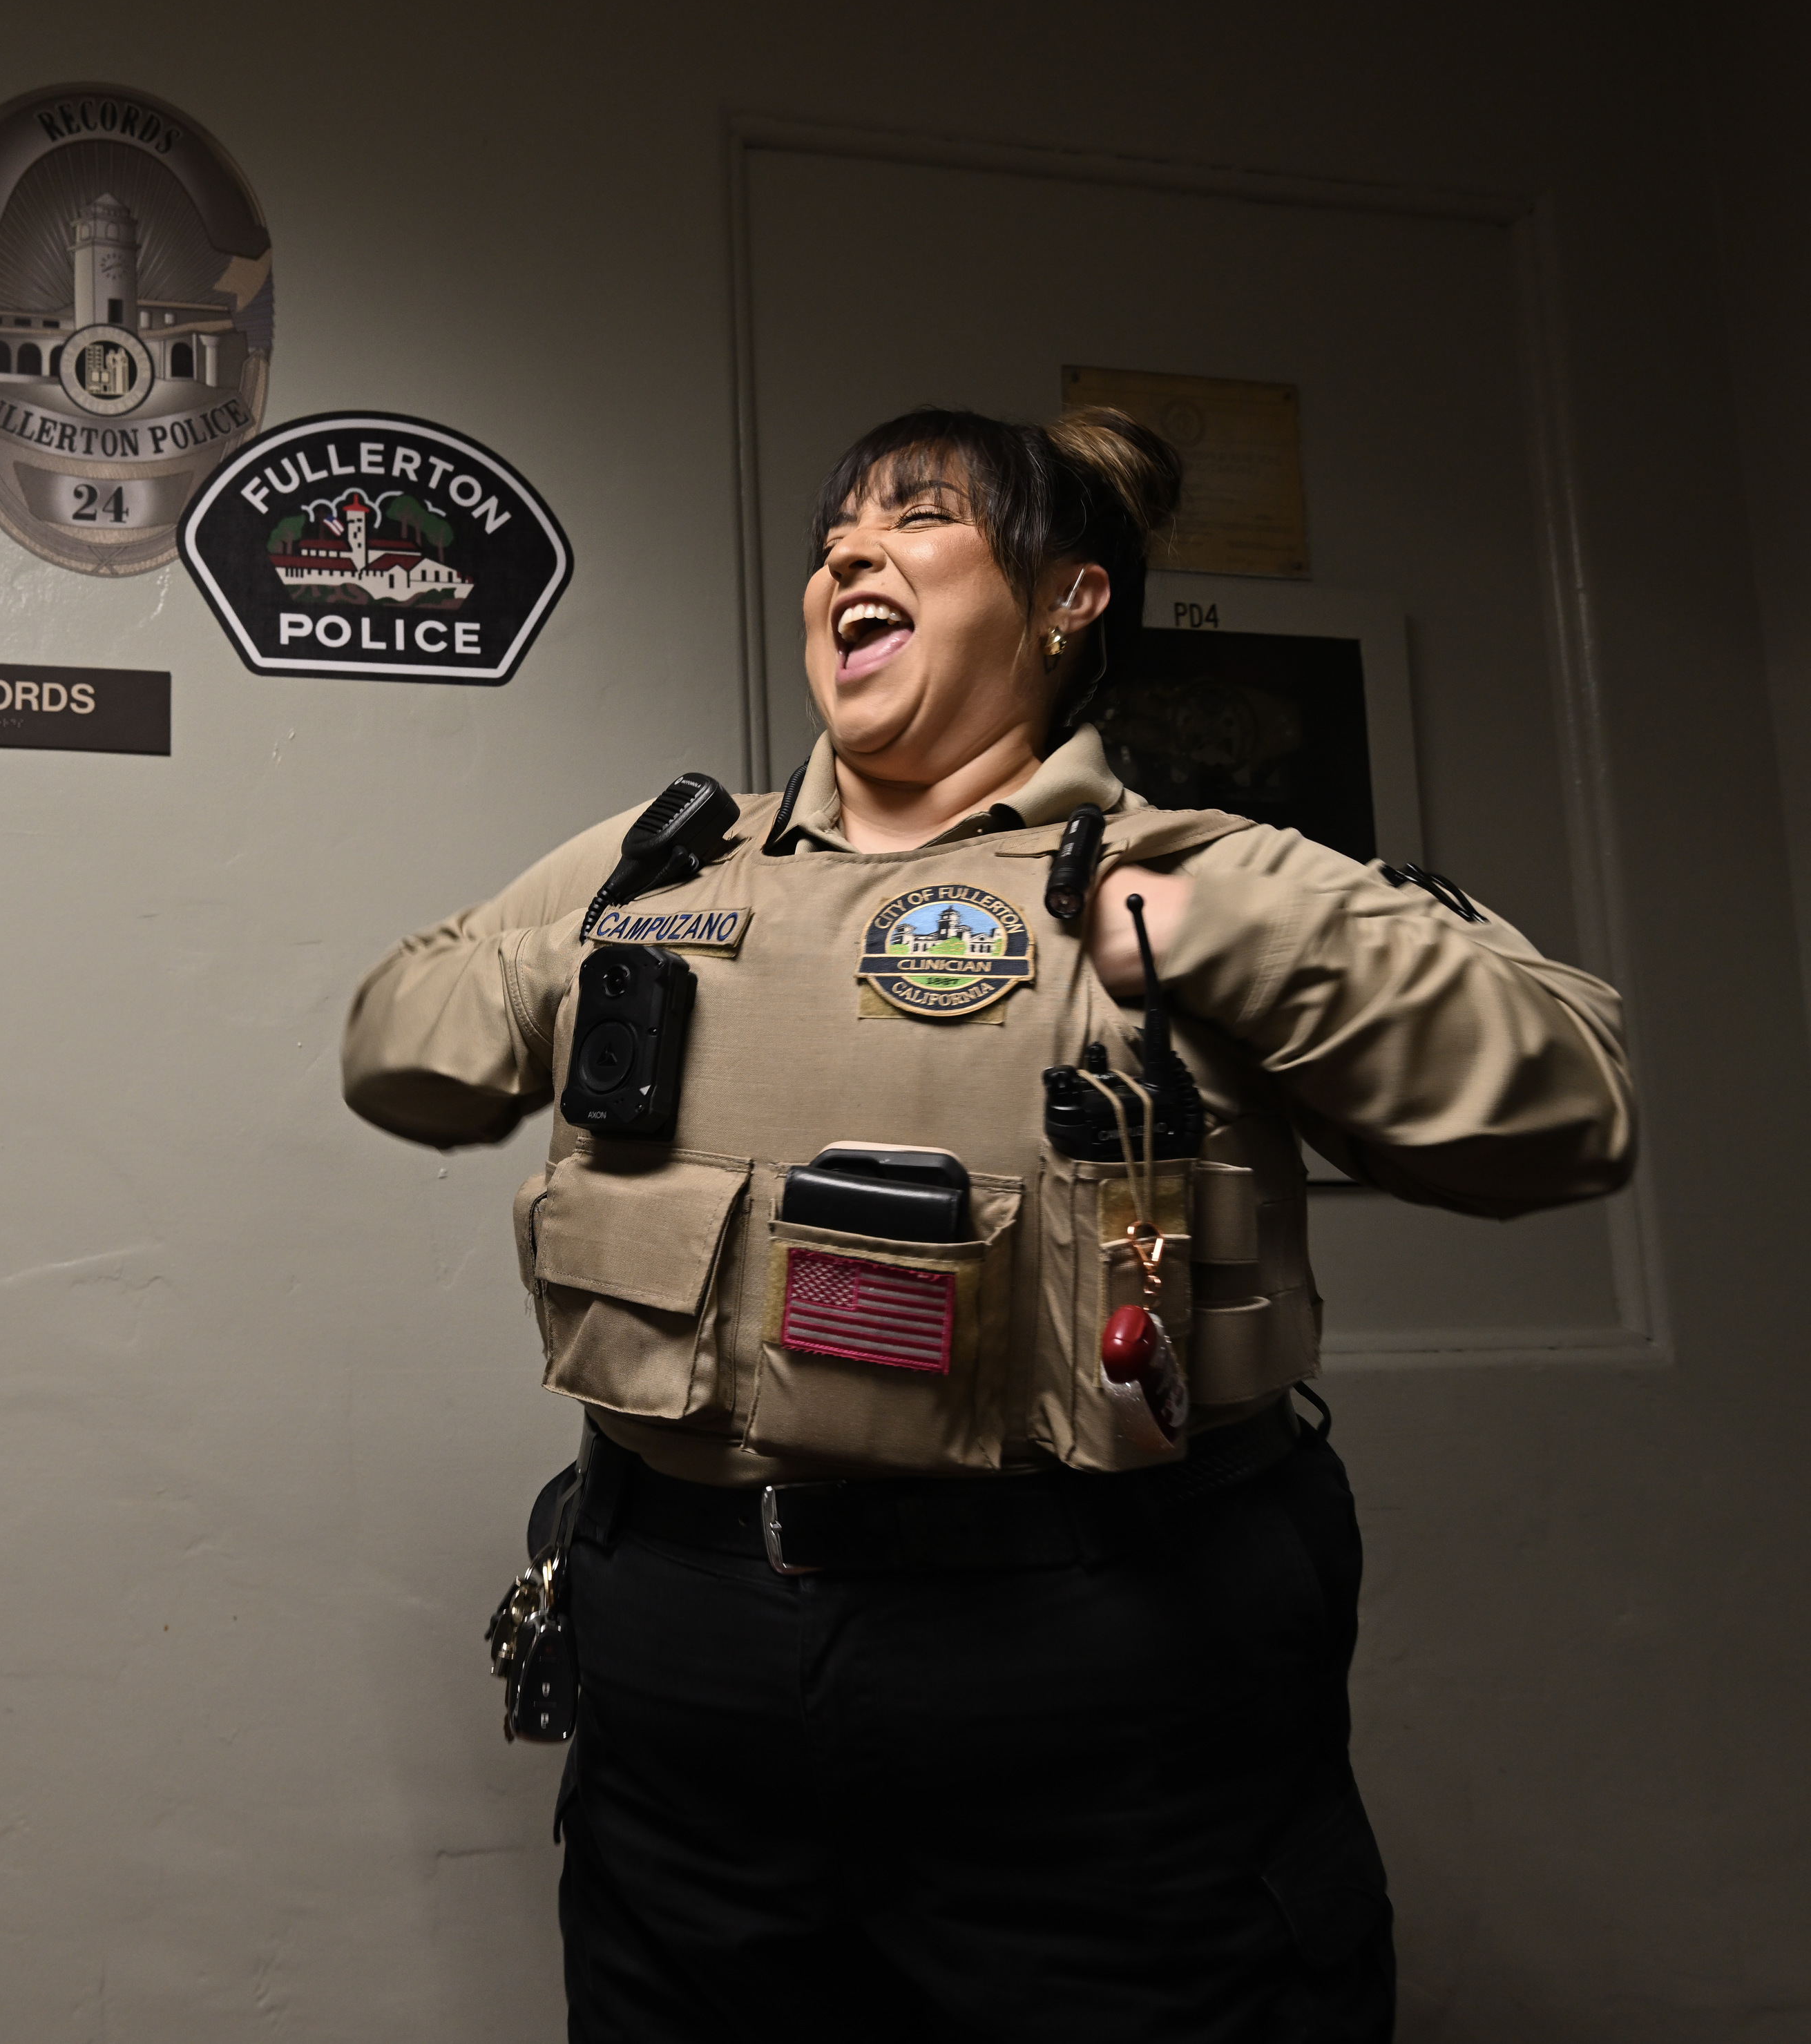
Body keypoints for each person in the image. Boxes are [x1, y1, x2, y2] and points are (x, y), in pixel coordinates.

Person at [338, 406, 1634, 2041]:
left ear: (1064, 598)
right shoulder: (660, 864)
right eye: (832, 539)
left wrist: (1221, 941)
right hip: (689, 1672)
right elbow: (399, 1052)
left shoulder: (1200, 865)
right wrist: (583, 959)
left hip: (1102, 1675)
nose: (846, 556)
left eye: (918, 521)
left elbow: (1565, 1109)